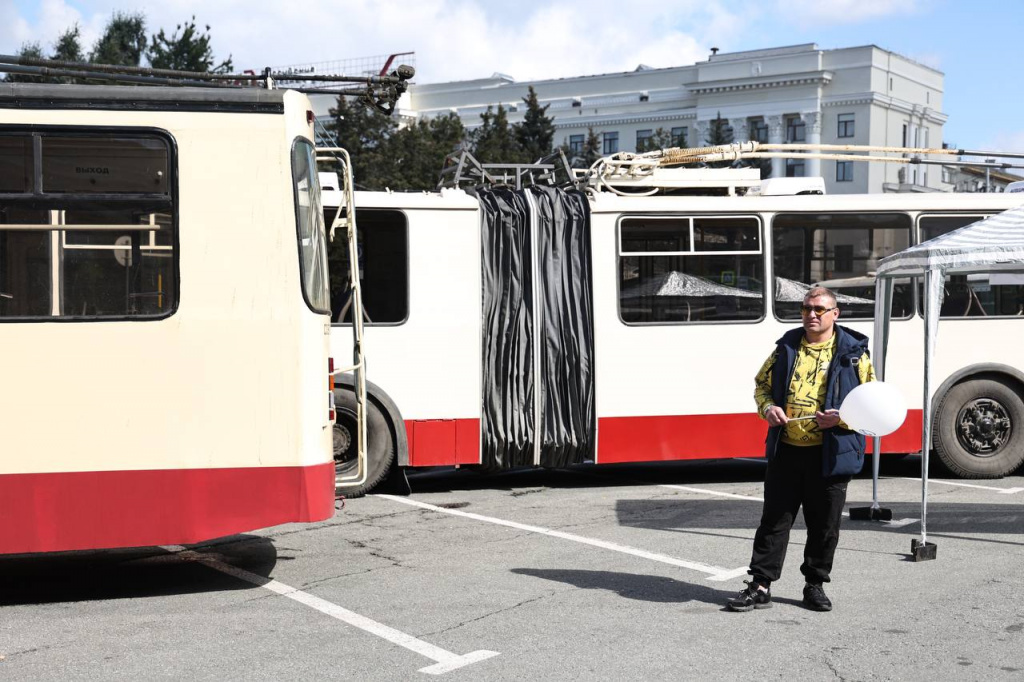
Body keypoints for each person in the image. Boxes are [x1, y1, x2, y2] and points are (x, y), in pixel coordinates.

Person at [726, 287, 875, 612]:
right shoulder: (786, 348)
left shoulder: (854, 354)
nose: (811, 314)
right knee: (774, 521)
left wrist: (841, 420)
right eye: (806, 308)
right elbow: (762, 386)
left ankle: (815, 585)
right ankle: (761, 585)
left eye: (819, 309)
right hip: (787, 452)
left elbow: (870, 403)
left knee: (824, 526)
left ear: (835, 314)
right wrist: (767, 410)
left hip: (830, 454)